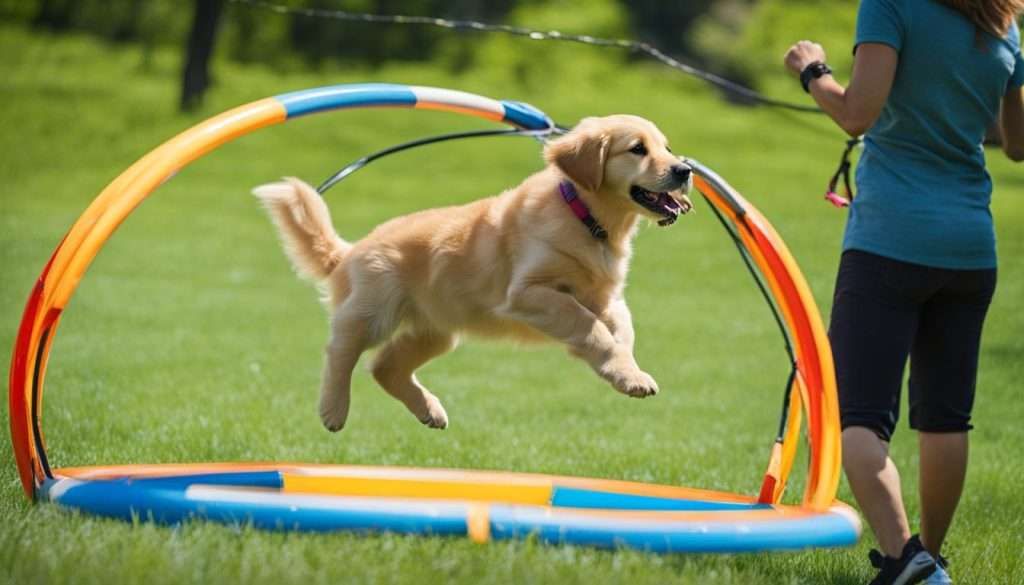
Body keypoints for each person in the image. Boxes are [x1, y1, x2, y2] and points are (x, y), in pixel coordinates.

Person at [783, 1, 1024, 584]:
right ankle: (931, 560)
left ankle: (904, 557)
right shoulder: (1002, 19)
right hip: (970, 247)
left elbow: (857, 114)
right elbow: (1016, 143)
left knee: (850, 413)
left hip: (891, 238)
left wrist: (812, 71)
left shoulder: (889, 4)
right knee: (946, 417)